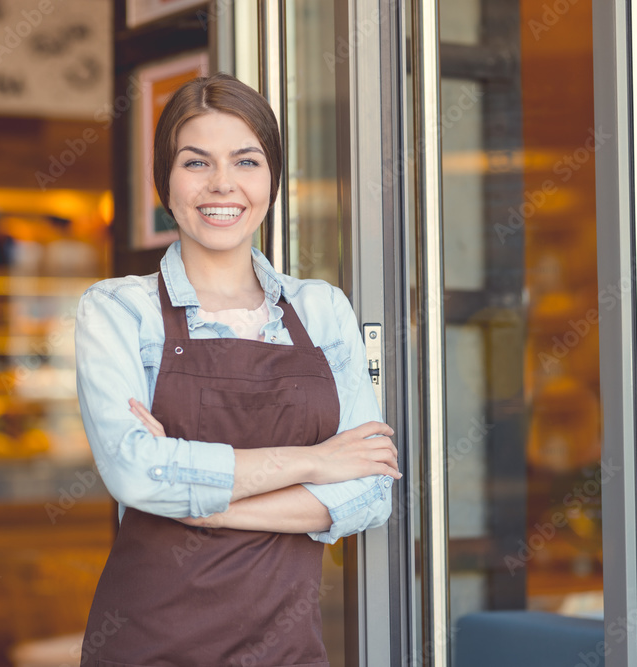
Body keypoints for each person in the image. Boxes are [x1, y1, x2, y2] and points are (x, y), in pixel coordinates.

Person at [74, 72, 400, 666]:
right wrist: (313, 462)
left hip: (288, 649)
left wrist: (202, 499)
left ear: (272, 182)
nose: (222, 184)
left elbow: (370, 491)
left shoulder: (321, 309)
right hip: (153, 645)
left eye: (246, 161)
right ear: (164, 183)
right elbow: (137, 474)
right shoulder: (121, 309)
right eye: (196, 163)